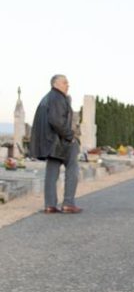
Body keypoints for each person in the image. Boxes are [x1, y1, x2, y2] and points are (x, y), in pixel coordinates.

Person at [29, 74, 81, 214]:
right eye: (65, 82)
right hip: (60, 141)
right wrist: (70, 136)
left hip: (50, 142)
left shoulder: (47, 97)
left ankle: (50, 205)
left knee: (51, 173)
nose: (67, 85)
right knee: (72, 169)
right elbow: (56, 121)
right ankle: (68, 203)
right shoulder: (57, 98)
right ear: (56, 84)